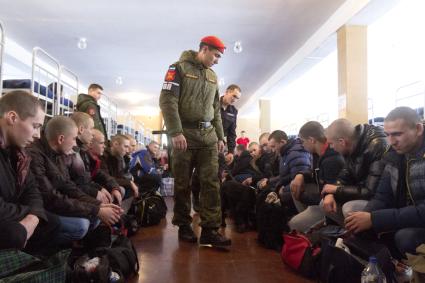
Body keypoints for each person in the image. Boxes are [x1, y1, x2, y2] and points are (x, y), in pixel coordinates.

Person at [159, 35, 231, 247]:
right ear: (204, 49)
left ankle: (210, 230)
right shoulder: (178, 68)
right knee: (182, 183)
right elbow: (167, 100)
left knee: (211, 182)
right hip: (184, 136)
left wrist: (220, 136)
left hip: (208, 136)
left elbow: (216, 110)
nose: (217, 60)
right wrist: (175, 132)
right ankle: (183, 225)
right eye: (216, 55)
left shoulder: (212, 75)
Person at [345, 107, 425, 257]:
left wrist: (374, 219)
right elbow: (382, 196)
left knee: (405, 237)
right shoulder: (395, 155)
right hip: (406, 214)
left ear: (418, 129)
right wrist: (364, 217)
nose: (391, 141)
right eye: (387, 135)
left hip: (418, 218)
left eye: (397, 134)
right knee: (357, 222)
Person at [29, 116, 122, 244]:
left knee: (95, 217)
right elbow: (50, 198)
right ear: (61, 139)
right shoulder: (35, 155)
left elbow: (68, 186)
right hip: (41, 209)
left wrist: (97, 205)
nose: (74, 144)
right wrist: (95, 209)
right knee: (81, 226)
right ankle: (45, 255)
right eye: (73, 139)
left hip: (55, 203)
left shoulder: (58, 155)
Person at [0, 90, 59, 253]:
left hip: (14, 213)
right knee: (15, 234)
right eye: (35, 126)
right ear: (12, 118)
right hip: (8, 218)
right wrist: (31, 213)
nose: (38, 135)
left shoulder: (19, 154)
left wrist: (33, 217)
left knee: (52, 222)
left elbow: (32, 190)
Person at [321, 118, 388, 225]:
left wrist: (337, 190)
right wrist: (330, 193)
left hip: (383, 201)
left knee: (350, 209)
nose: (331, 147)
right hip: (365, 193)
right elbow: (344, 176)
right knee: (325, 203)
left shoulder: (377, 146)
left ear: (342, 142)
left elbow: (371, 191)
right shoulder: (351, 147)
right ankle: (350, 234)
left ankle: (357, 238)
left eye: (331, 143)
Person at [288, 121, 345, 232]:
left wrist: (301, 196)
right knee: (294, 184)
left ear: (311, 140)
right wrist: (301, 175)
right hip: (323, 198)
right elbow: (315, 174)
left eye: (303, 141)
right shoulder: (318, 154)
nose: (302, 145)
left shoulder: (332, 159)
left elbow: (330, 195)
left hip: (332, 206)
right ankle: (309, 225)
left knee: (294, 224)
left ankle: (315, 230)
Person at [220, 84, 241, 158]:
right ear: (227, 92)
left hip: (221, 145)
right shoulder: (213, 104)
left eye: (237, 98)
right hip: (208, 141)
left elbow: (232, 133)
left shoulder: (233, 111)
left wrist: (231, 152)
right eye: (234, 96)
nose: (234, 100)